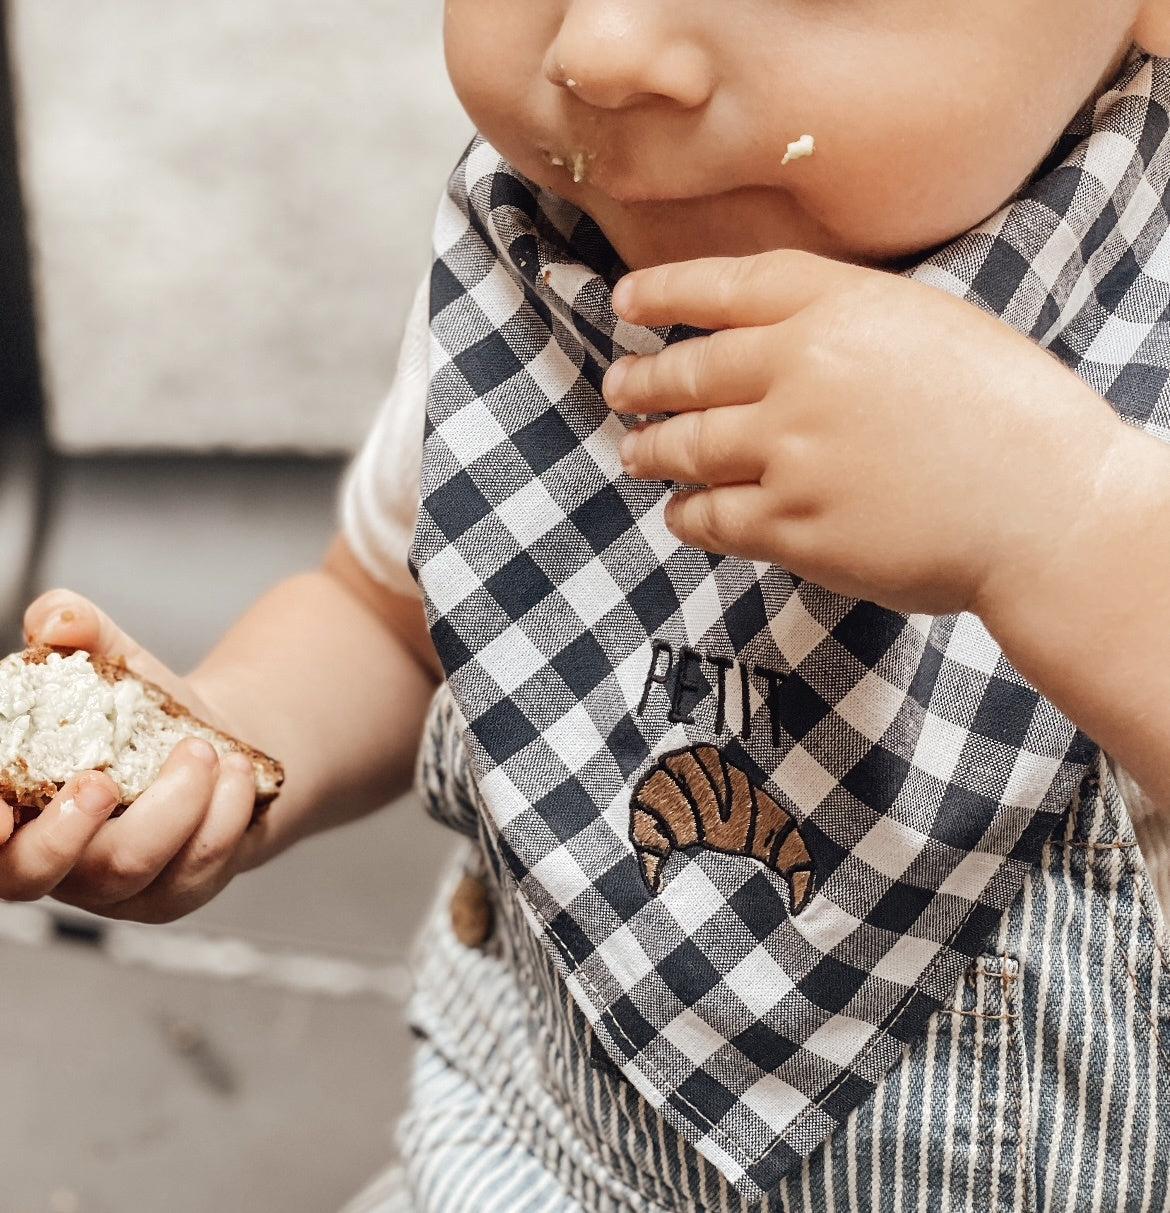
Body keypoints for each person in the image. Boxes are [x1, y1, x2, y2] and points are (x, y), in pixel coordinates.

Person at [5, 0, 1170, 1208]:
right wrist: (230, 737)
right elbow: (393, 613)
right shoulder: (540, 267)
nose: (603, 49)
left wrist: (1073, 516)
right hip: (526, 1163)